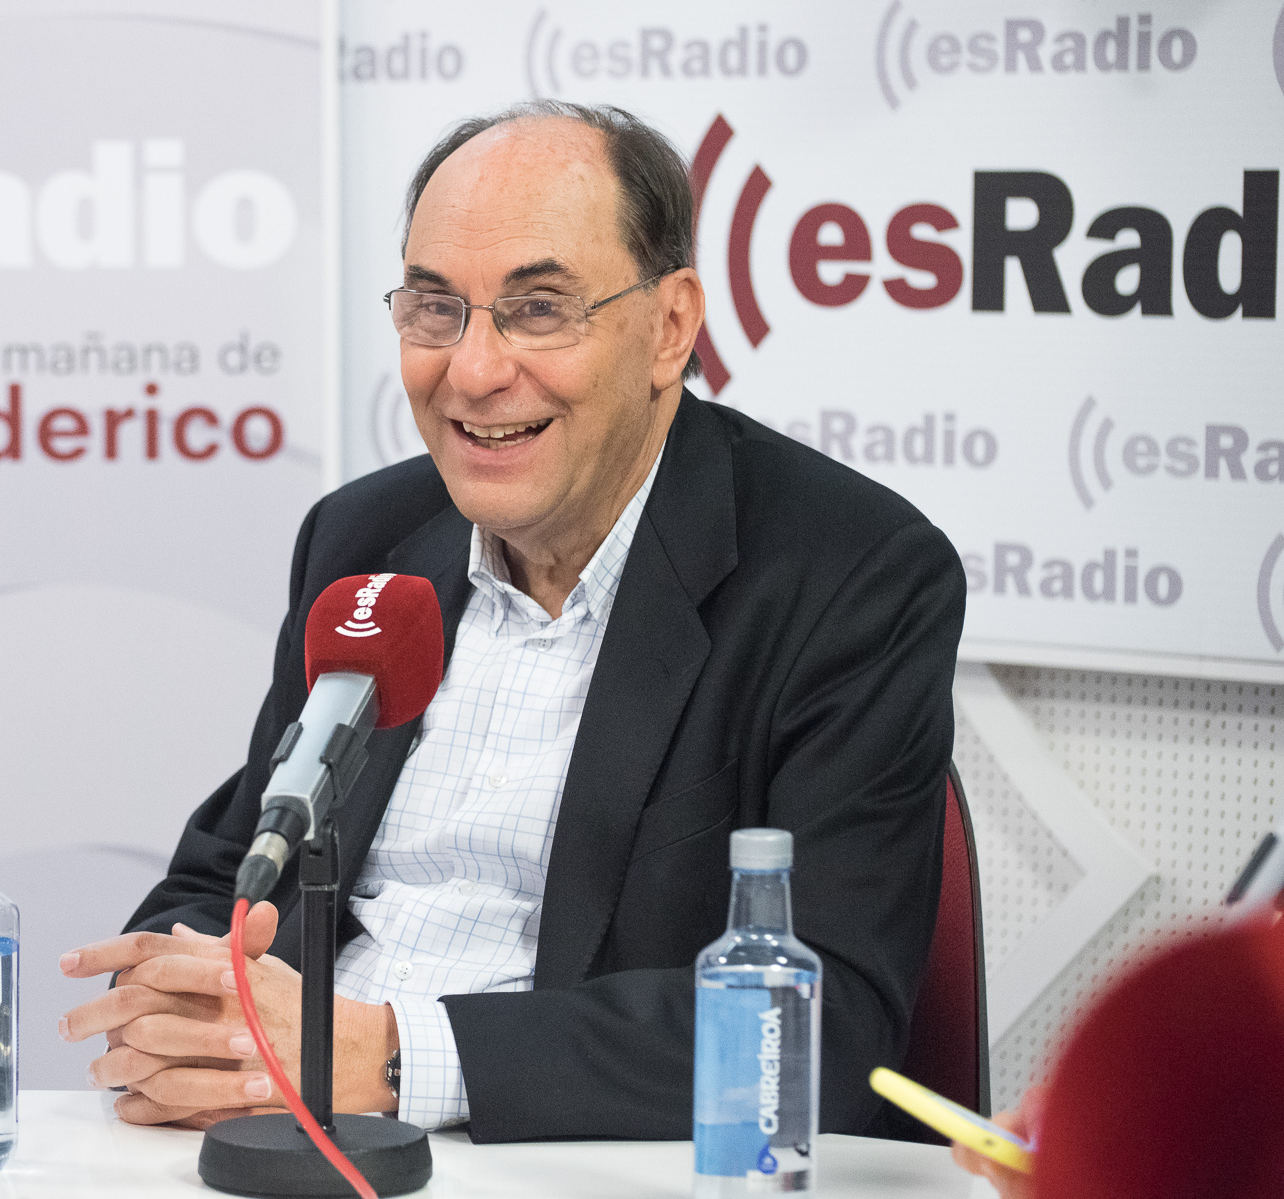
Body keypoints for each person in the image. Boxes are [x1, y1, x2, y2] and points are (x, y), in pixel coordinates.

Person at [58, 100, 966, 1142]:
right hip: (300, 1136)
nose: (474, 370)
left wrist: (391, 1056)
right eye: (433, 308)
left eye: (537, 309)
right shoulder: (364, 538)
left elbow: (818, 1028)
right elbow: (232, 869)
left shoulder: (847, 575)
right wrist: (181, 997)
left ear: (670, 326)